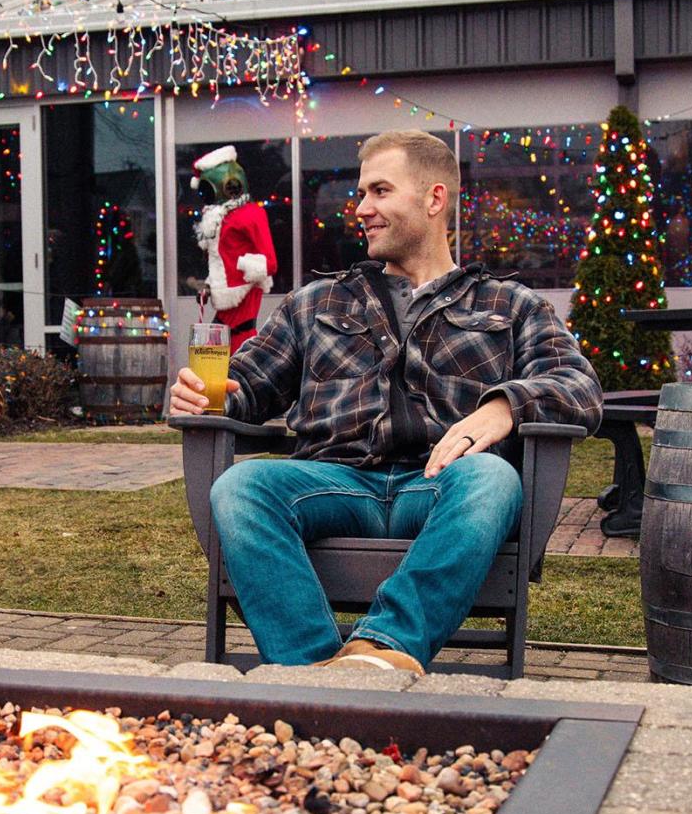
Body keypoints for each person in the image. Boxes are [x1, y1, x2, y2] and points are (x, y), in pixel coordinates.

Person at [168, 129, 602, 674]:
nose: (361, 209)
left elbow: (580, 387)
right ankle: (314, 673)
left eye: (378, 192)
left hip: (441, 483)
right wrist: (209, 395)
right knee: (240, 486)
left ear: (433, 198)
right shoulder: (318, 300)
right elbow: (248, 386)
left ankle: (380, 650)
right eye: (361, 193)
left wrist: (504, 407)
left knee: (493, 478)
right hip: (332, 483)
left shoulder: (509, 304)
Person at [190, 145, 278, 351]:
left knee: (235, 358)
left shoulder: (250, 214)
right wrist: (210, 287)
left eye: (206, 189)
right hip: (225, 309)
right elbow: (222, 261)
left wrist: (243, 269)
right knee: (212, 359)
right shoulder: (221, 218)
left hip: (242, 304)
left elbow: (270, 262)